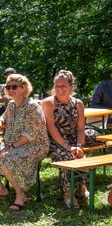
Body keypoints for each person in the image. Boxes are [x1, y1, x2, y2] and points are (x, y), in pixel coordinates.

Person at [0, 74, 49, 211]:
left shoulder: (32, 106)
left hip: (34, 146)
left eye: (13, 87)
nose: (9, 89)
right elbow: (2, 118)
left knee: (6, 159)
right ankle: (2, 189)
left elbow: (30, 134)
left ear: (23, 88)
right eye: (7, 87)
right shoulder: (11, 105)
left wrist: (11, 148)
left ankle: (21, 195)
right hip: (11, 145)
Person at [41, 70, 88, 207]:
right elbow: (51, 128)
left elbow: (80, 128)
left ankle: (80, 186)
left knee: (81, 154)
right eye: (56, 85)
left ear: (71, 86)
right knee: (68, 156)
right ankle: (68, 192)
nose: (59, 88)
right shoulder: (48, 103)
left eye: (63, 85)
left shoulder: (78, 103)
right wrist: (68, 147)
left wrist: (79, 145)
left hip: (74, 139)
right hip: (54, 140)